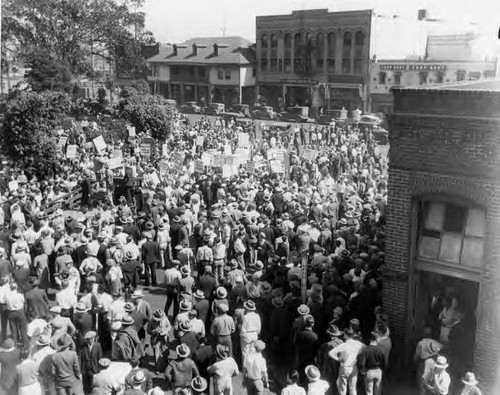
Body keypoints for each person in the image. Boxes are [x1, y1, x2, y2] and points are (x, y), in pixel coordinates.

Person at [329, 327, 365, 395]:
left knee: (342, 388)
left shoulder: (344, 345)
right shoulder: (359, 344)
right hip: (354, 367)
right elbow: (366, 350)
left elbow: (330, 353)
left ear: (345, 335)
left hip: (344, 367)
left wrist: (338, 359)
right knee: (353, 388)